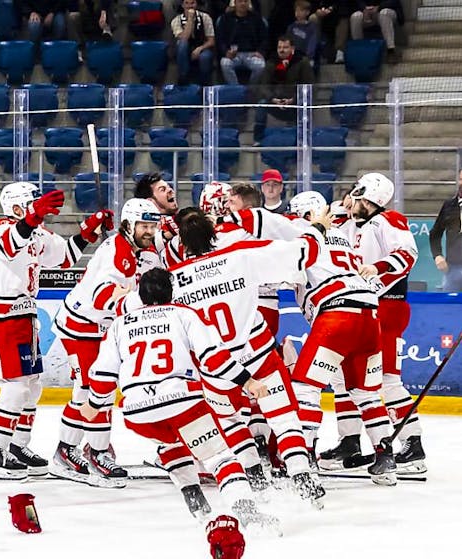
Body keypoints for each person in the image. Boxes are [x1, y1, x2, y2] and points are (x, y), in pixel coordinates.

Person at [82, 268, 278, 529]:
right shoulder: (184, 314)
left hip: (137, 413)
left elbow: (104, 374)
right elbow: (213, 358)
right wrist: (248, 381)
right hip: (183, 404)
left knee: (170, 444)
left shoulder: (119, 325)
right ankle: (247, 513)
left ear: (140, 295)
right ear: (171, 292)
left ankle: (197, 506)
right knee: (220, 457)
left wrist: (94, 404)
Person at [168, 208, 329, 507]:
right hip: (257, 354)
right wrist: (318, 226)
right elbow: (303, 253)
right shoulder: (240, 255)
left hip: (216, 367)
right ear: (214, 233)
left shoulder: (173, 280)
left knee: (230, 421)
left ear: (183, 245)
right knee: (282, 416)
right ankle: (301, 474)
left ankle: (254, 474)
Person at [0, 183, 113, 480]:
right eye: (32, 203)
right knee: (14, 388)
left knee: (32, 387)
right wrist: (31, 218)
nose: (38, 207)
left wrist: (89, 229)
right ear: (16, 207)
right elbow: (10, 244)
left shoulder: (37, 233)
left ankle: (17, 446)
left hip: (26, 316)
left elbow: (65, 256)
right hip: (2, 316)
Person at [284, 191, 397, 484]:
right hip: (370, 317)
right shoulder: (342, 236)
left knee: (305, 388)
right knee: (366, 393)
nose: (291, 219)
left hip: (336, 315)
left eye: (295, 213)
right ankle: (386, 459)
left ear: (308, 215)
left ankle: (304, 458)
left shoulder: (301, 234)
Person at [51, 198, 162, 487]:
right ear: (128, 224)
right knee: (95, 388)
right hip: (81, 325)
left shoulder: (144, 251)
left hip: (99, 326)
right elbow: (102, 297)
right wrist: (130, 300)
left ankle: (67, 450)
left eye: (153, 225)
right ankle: (97, 453)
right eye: (144, 225)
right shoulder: (119, 253)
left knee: (85, 391)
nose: (150, 231)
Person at [324, 172, 425, 472]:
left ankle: (413, 444)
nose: (351, 199)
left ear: (369, 197)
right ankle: (350, 440)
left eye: (357, 195)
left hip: (387, 308)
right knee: (343, 376)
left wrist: (377, 268)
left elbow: (408, 254)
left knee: (389, 380)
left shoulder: (388, 220)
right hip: (362, 309)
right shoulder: (359, 224)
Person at [253, 35, 314, 144]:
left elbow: (308, 85)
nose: (281, 50)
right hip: (276, 101)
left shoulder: (302, 62)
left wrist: (293, 99)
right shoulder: (271, 62)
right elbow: (264, 86)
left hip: (296, 102)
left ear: (292, 49)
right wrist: (273, 99)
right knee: (261, 104)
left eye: (285, 47)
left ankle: (302, 139)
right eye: (279, 47)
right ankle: (258, 139)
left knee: (304, 104)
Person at [216, 0, 268, 85]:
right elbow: (220, 39)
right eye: (240, 1)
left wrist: (260, 51)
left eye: (245, 1)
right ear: (235, 3)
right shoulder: (225, 18)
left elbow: (265, 39)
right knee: (225, 63)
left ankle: (251, 89)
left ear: (249, 3)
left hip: (252, 54)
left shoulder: (257, 18)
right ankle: (236, 89)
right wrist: (226, 52)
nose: (243, 3)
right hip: (233, 54)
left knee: (260, 65)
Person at [429, 169, 462, 292]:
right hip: (453, 269)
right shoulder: (449, 206)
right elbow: (435, 233)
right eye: (461, 179)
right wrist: (437, 255)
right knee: (448, 308)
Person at [171, 0, 216, 86]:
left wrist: (200, 49)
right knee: (182, 44)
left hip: (202, 47)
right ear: (182, 5)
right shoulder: (176, 21)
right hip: (184, 50)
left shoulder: (205, 17)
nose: (189, 6)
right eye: (187, 3)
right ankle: (183, 78)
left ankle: (204, 84)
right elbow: (184, 38)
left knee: (205, 57)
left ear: (196, 4)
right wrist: (190, 19)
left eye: (192, 3)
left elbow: (211, 41)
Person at [286, 1, 320, 67]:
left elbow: (312, 43)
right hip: (293, 56)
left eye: (301, 11)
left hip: (306, 57)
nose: (298, 13)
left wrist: (308, 56)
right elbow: (287, 41)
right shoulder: (291, 27)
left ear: (307, 12)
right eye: (296, 11)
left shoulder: (311, 28)